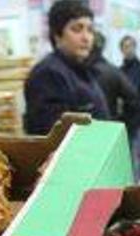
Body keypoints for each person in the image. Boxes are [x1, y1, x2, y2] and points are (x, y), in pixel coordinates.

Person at [24, 0, 109, 135]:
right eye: (77, 29)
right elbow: (55, 138)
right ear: (57, 35)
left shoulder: (81, 69)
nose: (86, 37)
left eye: (90, 30)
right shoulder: (48, 74)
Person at [119, 35, 140, 181]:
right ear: (121, 50)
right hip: (126, 120)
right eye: (125, 46)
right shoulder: (119, 70)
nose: (129, 49)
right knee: (129, 157)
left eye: (131, 46)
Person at [89, 32, 137, 123]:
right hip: (110, 125)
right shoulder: (113, 71)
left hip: (83, 129)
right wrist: (123, 120)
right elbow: (132, 98)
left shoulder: (76, 72)